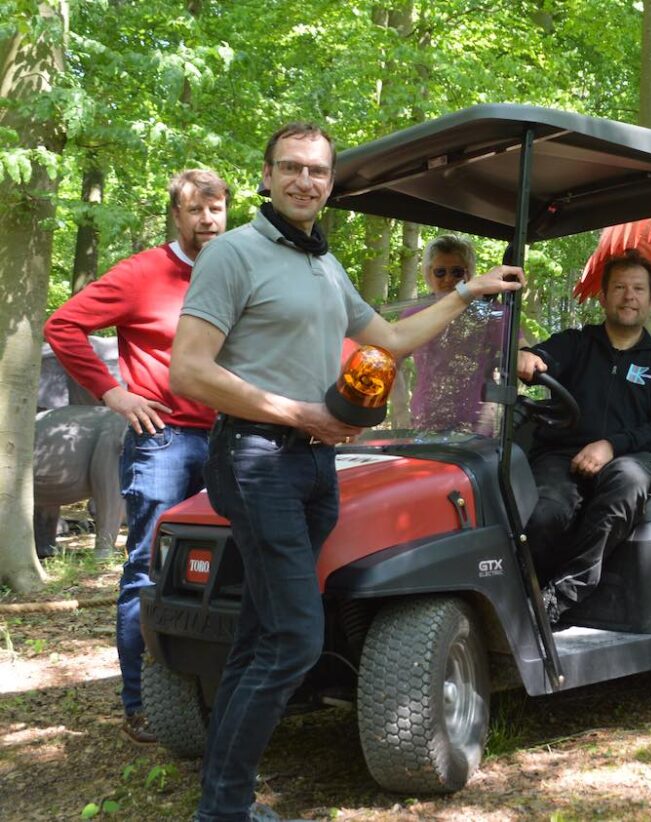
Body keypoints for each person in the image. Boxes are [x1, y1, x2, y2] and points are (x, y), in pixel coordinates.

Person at [169, 122, 523, 822]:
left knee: (262, 632)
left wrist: (467, 292)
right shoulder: (234, 254)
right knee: (297, 637)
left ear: (330, 185)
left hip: (313, 461)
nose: (306, 181)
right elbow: (190, 370)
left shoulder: (322, 264)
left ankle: (223, 798)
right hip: (255, 455)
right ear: (266, 176)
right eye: (292, 168)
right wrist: (300, 413)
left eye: (319, 172)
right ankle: (226, 808)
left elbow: (389, 339)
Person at [43, 169, 229, 744]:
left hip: (234, 442)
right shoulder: (143, 274)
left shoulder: (239, 270)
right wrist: (113, 393)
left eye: (216, 208)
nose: (207, 219)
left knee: (232, 572)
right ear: (177, 215)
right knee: (150, 570)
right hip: (164, 441)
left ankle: (214, 695)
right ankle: (142, 703)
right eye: (196, 209)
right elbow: (64, 325)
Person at [516, 248, 651, 624]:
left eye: (639, 289)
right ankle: (526, 593)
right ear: (604, 296)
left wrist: (612, 445)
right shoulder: (577, 344)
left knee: (627, 479)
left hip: (636, 457)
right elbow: (542, 356)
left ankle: (562, 595)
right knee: (545, 511)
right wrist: (527, 356)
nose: (630, 296)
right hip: (564, 455)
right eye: (620, 287)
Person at [397, 234, 506, 433]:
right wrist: (399, 411)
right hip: (423, 422)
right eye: (440, 272)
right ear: (428, 274)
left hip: (476, 424)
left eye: (456, 272)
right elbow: (390, 360)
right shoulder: (414, 314)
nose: (448, 279)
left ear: (469, 274)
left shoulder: (490, 314)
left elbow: (519, 351)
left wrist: (489, 415)